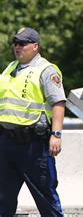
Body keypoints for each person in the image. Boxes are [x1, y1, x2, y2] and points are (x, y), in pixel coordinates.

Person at [0, 27, 65, 216]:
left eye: (23, 43)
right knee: (3, 199)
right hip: (7, 143)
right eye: (15, 43)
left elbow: (58, 103)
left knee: (46, 198)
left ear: (35, 46)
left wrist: (56, 135)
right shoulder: (10, 68)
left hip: (34, 146)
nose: (17, 47)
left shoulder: (46, 70)